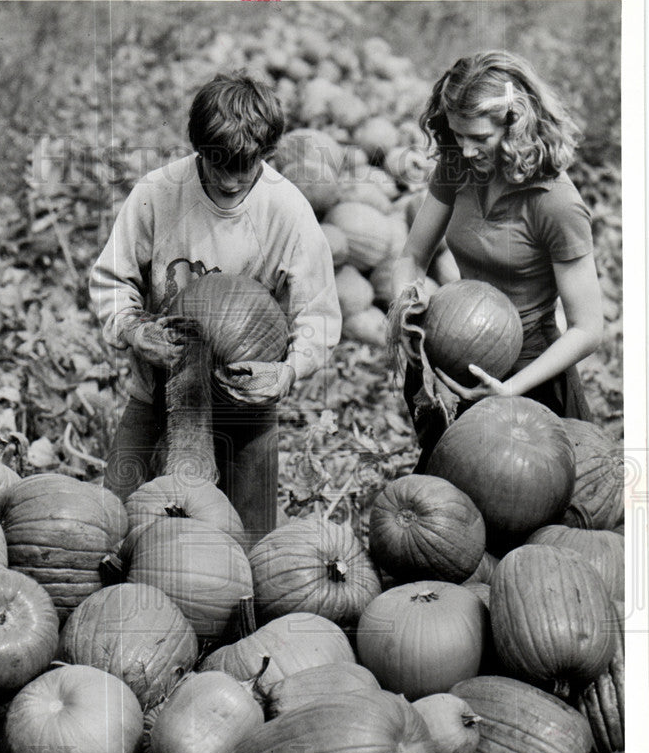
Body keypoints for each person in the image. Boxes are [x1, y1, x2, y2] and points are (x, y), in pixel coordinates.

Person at [90, 72, 341, 542]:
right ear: (197, 148)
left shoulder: (286, 211)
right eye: (215, 164)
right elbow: (111, 278)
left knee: (247, 551)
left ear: (266, 154)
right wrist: (132, 329)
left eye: (242, 169)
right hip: (161, 393)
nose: (228, 181)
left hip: (246, 407)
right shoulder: (157, 193)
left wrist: (288, 371)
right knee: (117, 529)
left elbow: (318, 314)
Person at [390, 50, 603, 469]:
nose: (466, 150)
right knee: (447, 516)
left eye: (480, 138)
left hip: (532, 376)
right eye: (457, 135)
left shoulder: (556, 203)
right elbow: (412, 257)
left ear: (515, 125)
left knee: (529, 514)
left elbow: (588, 328)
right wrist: (405, 312)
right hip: (457, 360)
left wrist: (509, 390)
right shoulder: (456, 165)